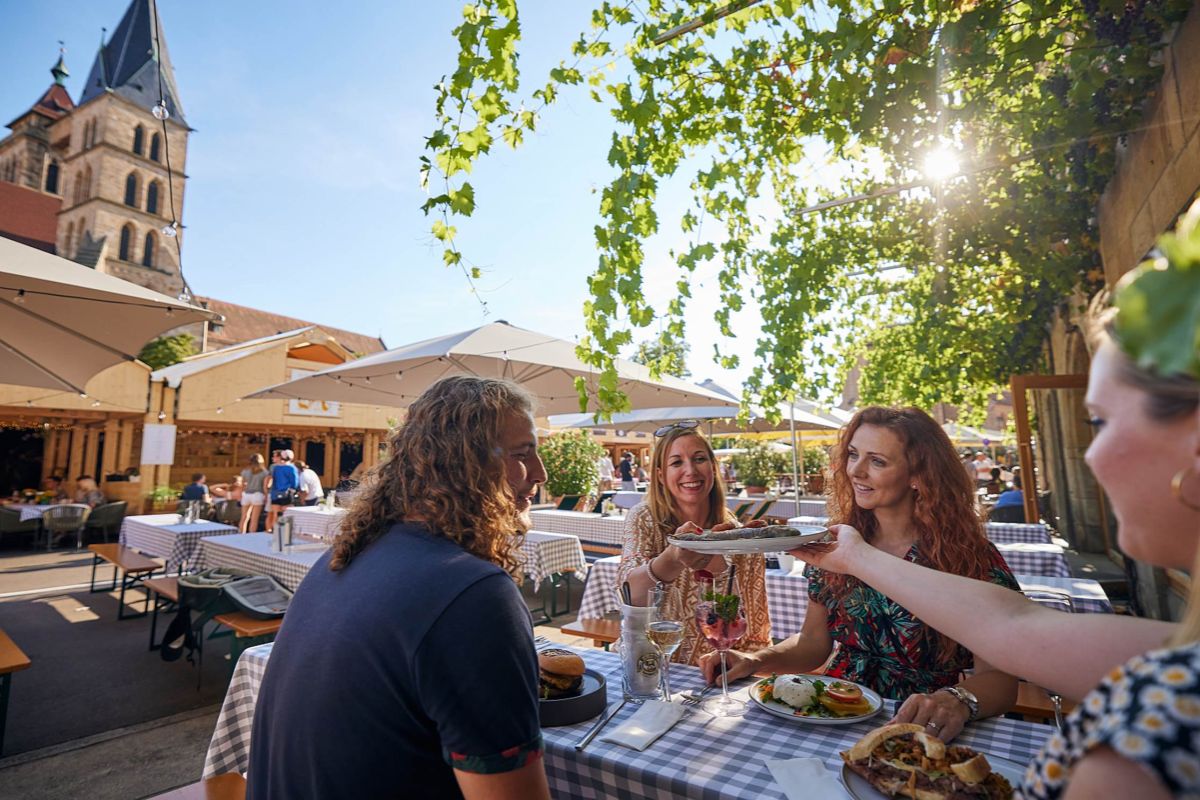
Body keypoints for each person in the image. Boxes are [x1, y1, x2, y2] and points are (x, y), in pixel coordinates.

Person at [799, 299, 1199, 797]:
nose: (1090, 455)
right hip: (838, 727)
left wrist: (959, 699)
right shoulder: (1174, 661)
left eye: (1100, 422)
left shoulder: (1173, 699)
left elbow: (1007, 642)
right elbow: (1011, 626)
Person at [246, 376, 550, 800]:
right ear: (463, 467)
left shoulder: (344, 558)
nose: (540, 473)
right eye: (522, 455)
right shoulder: (475, 597)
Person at [702, 406, 1020, 741]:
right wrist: (754, 661)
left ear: (918, 475)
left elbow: (1001, 680)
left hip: (919, 723)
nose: (856, 470)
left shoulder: (970, 558)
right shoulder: (837, 544)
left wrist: (955, 700)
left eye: (877, 461)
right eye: (853, 455)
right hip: (833, 711)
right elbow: (813, 644)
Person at [617, 421, 771, 666]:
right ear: (660, 475)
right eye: (676, 462)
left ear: (713, 466)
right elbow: (629, 596)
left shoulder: (737, 535)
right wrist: (672, 558)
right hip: (651, 671)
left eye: (699, 459)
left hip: (718, 677)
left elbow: (757, 631)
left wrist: (746, 669)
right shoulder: (645, 518)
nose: (690, 470)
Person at [264, 449, 301, 531]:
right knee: (286, 515)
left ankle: (275, 533)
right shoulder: (291, 468)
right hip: (286, 494)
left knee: (275, 514)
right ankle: (284, 534)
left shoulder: (276, 468)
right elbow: (295, 482)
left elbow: (273, 480)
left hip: (275, 494)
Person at [239, 454, 268, 533]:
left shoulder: (245, 471)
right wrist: (266, 496)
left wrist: (241, 494)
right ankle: (252, 535)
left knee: (244, 517)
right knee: (254, 519)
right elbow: (265, 487)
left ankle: (241, 534)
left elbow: (242, 485)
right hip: (258, 494)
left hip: (246, 494)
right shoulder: (265, 472)